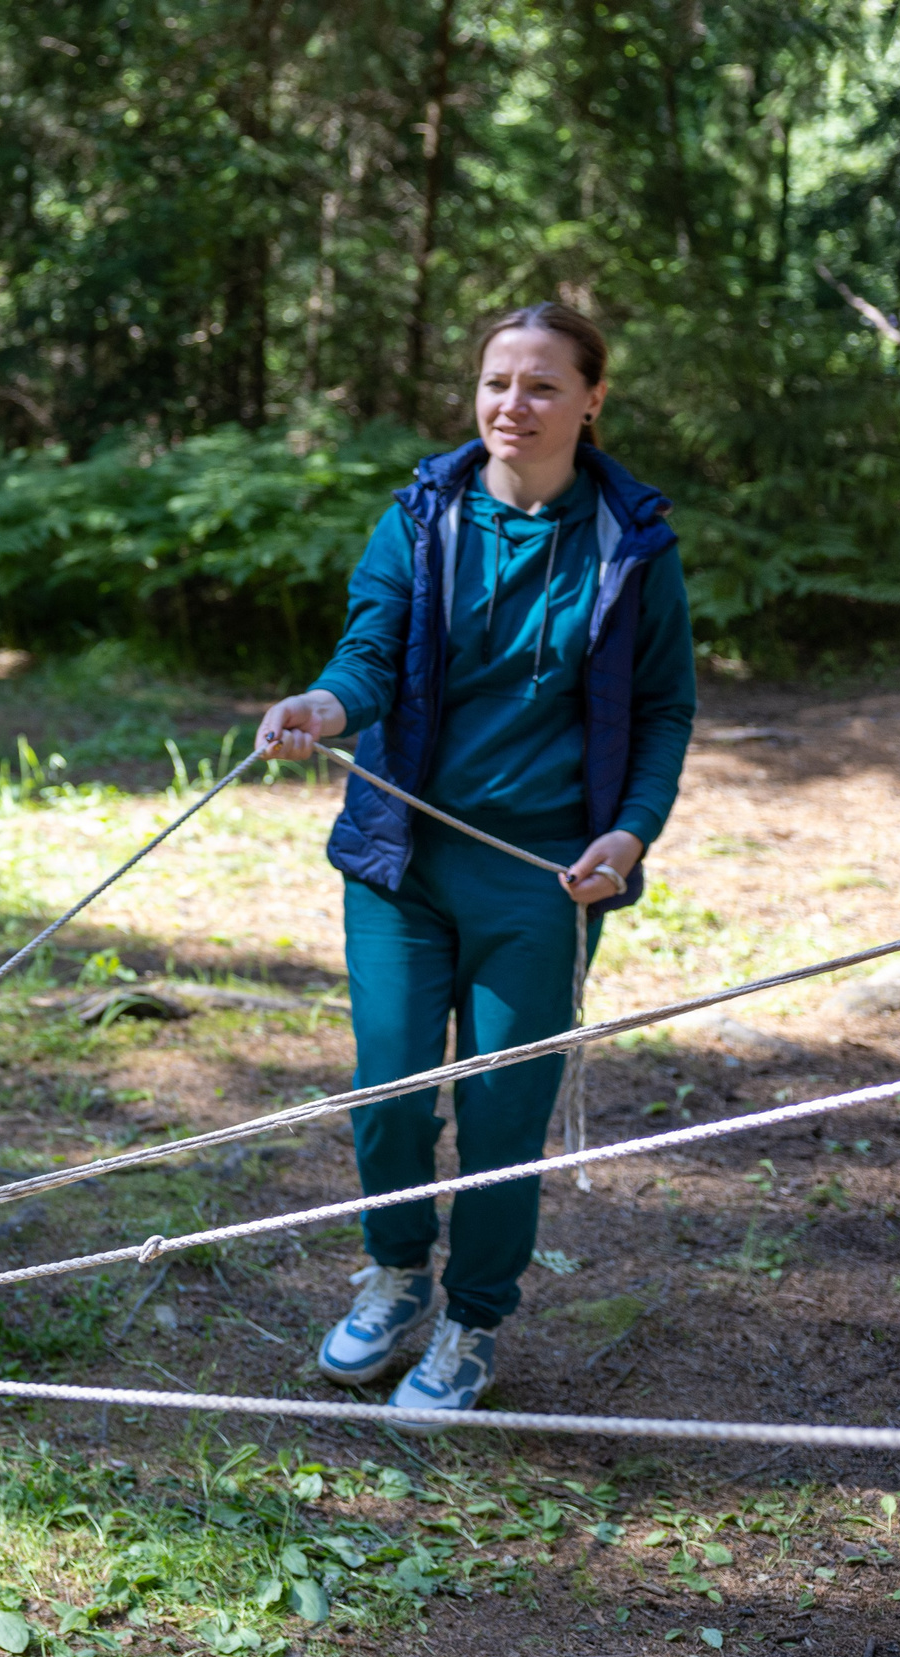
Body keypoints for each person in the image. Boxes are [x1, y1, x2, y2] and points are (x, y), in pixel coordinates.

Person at [255, 303, 696, 1426]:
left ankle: (471, 1322)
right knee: (390, 1091)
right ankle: (396, 1275)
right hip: (400, 856)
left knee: (503, 1112)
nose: (514, 405)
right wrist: (323, 704)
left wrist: (631, 833)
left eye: (542, 385)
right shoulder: (422, 513)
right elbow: (369, 650)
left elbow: (660, 710)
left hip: (540, 873)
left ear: (592, 400)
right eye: (497, 381)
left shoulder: (632, 540)